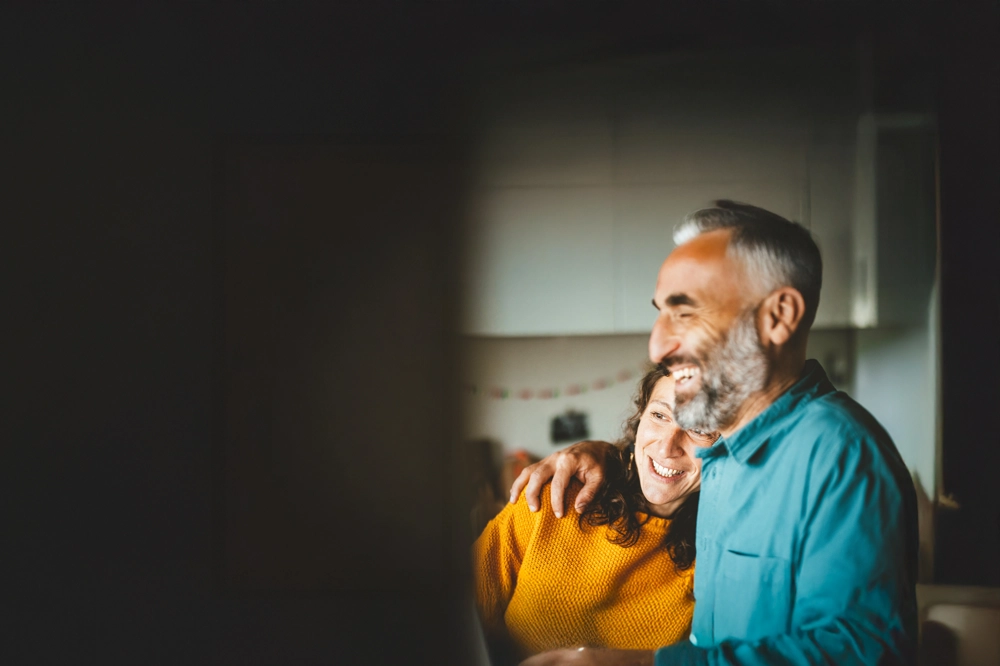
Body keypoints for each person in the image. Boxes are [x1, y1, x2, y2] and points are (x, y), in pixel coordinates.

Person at [510, 201, 919, 665]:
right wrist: (602, 453)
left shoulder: (841, 454)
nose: (659, 344)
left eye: (685, 314)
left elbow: (867, 654)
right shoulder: (724, 453)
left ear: (778, 316)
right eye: (661, 313)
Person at [474, 366, 716, 665]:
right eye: (659, 415)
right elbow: (450, 622)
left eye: (700, 429)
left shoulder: (719, 552)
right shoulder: (555, 497)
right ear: (640, 418)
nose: (667, 447)